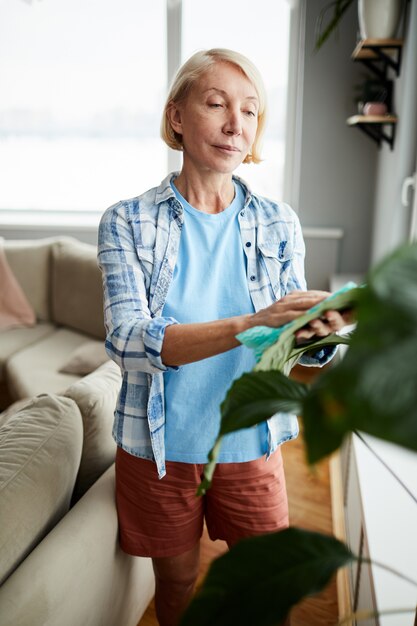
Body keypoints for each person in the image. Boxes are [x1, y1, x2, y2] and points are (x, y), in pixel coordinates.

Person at [98, 48, 349, 626]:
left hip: (250, 442)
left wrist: (324, 330)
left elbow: (296, 343)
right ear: (178, 117)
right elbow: (129, 341)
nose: (237, 124)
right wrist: (251, 323)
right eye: (217, 104)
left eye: (251, 110)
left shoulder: (278, 222)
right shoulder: (126, 222)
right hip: (159, 450)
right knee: (178, 587)